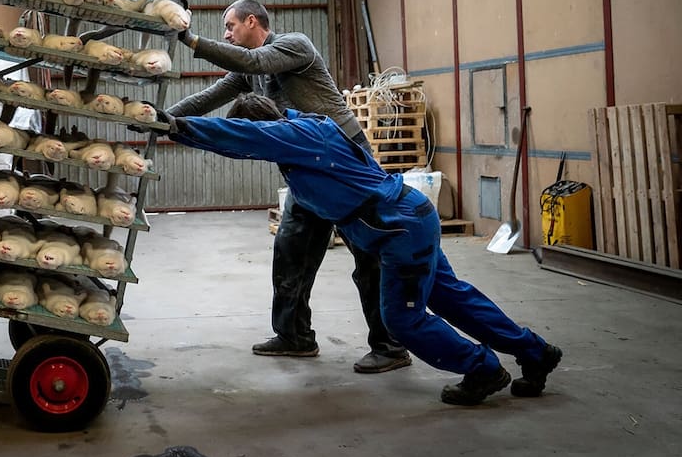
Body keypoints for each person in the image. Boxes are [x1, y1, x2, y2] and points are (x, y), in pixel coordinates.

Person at [158, 93, 563, 405]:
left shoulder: (296, 136)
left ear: (268, 130)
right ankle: (534, 352)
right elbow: (252, 141)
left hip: (399, 229)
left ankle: (483, 370)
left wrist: (177, 125)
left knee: (402, 320)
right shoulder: (305, 128)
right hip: (407, 218)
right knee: (448, 296)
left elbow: (243, 137)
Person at [169, 0, 410, 374]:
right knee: (291, 250)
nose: (227, 34)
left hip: (344, 160)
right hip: (304, 167)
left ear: (253, 21)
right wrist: (162, 119)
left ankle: (390, 346)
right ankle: (294, 336)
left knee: (369, 256)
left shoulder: (294, 45)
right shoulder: (249, 73)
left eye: (230, 26)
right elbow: (208, 98)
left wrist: (191, 41)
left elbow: (251, 61)